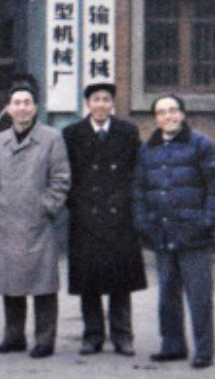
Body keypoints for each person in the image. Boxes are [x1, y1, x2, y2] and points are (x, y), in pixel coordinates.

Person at [133, 94, 215, 369]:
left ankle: (204, 350)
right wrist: (144, 222)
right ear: (156, 118)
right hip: (162, 232)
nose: (168, 116)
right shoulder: (148, 149)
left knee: (199, 296)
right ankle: (172, 345)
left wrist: (207, 220)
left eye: (173, 110)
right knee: (168, 295)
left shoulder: (201, 144)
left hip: (193, 234)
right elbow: (138, 190)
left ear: (183, 114)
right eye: (162, 112)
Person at [0, 80, 70, 359]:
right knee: (11, 283)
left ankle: (45, 340)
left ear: (35, 107)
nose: (22, 108)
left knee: (43, 284)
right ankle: (14, 337)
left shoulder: (51, 138)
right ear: (8, 108)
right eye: (16, 103)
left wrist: (46, 208)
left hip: (38, 222)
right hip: (7, 220)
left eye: (27, 103)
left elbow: (61, 179)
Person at [62, 83, 146, 357]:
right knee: (89, 280)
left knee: (121, 280)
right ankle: (92, 335)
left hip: (119, 215)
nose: (101, 104)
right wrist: (76, 202)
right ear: (88, 104)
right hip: (86, 216)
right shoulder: (72, 134)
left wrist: (127, 201)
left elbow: (137, 170)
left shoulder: (127, 132)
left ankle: (123, 335)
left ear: (112, 104)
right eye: (95, 99)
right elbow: (65, 173)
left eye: (106, 99)